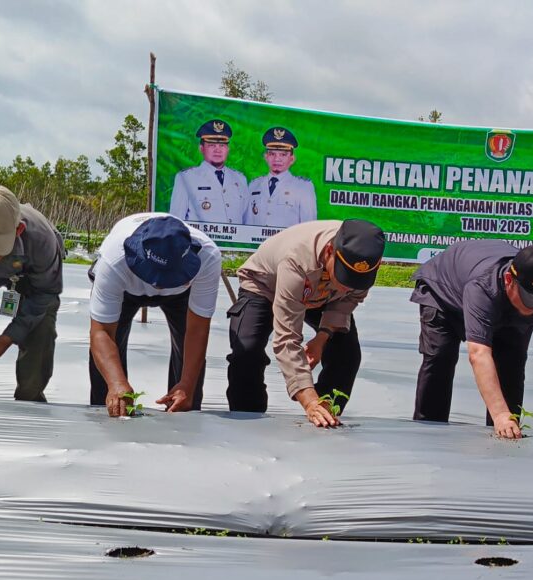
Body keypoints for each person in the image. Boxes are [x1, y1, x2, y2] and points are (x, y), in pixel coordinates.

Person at [410, 241, 533, 440]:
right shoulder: (483, 287)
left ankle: (508, 434)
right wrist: (500, 414)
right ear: (508, 279)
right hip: (445, 296)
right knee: (440, 358)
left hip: (504, 311)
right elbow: (479, 354)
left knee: (511, 365)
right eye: (529, 298)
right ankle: (428, 432)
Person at [226, 219, 385, 427]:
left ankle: (326, 413)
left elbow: (348, 300)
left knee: (347, 353)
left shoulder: (363, 259)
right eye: (344, 276)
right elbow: (287, 338)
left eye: (356, 281)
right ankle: (247, 419)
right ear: (329, 251)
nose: (348, 287)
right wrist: (308, 400)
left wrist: (322, 337)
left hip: (325, 295)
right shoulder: (297, 260)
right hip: (266, 286)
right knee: (247, 351)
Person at [88, 214, 222, 417]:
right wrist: (117, 383)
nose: (158, 285)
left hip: (180, 296)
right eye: (154, 277)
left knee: (189, 381)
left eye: (168, 278)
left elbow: (197, 330)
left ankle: (183, 411)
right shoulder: (114, 259)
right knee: (109, 370)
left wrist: (186, 384)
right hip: (126, 290)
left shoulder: (208, 257)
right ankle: (109, 408)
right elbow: (101, 332)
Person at [0, 185, 64, 402]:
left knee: (40, 330)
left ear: (18, 230)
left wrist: (7, 338)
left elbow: (44, 294)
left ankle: (29, 398)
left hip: (36, 284)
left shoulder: (41, 240)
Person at [169, 119, 248, 224]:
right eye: (212, 145)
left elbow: (247, 221)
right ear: (201, 148)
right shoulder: (186, 178)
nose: (217, 150)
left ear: (228, 149)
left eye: (222, 145)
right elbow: (175, 222)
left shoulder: (240, 179)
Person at [244, 127, 317, 228]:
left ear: (292, 159)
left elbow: (309, 227)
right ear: (266, 157)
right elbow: (247, 223)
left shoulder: (303, 187)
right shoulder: (254, 185)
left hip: (288, 243)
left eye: (283, 154)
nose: (277, 159)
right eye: (272, 154)